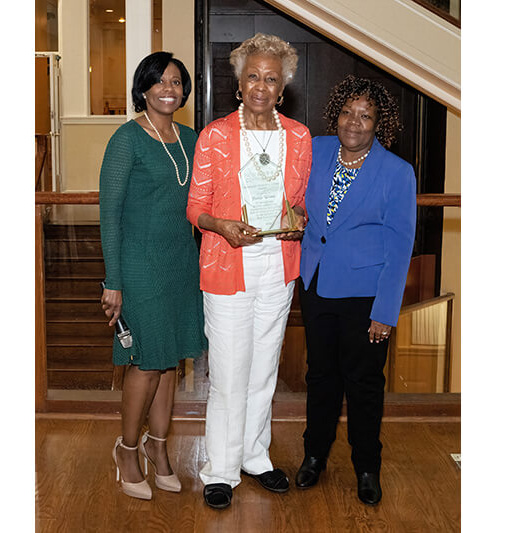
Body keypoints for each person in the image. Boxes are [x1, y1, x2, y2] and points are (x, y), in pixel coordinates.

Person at [186, 33, 312, 510]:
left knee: (264, 369)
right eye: (253, 76)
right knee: (228, 373)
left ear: (283, 89)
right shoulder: (215, 135)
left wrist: (298, 219)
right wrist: (221, 224)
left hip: (278, 268)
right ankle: (220, 468)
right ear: (238, 83)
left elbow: (297, 202)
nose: (261, 85)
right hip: (227, 266)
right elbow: (195, 207)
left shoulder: (298, 137)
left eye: (271, 78)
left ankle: (255, 455)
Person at [295, 75, 416, 505]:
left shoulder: (397, 173)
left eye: (366, 115)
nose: (354, 122)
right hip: (316, 285)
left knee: (363, 383)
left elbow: (401, 246)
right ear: (336, 115)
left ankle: (367, 466)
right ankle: (314, 455)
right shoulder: (316, 150)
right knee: (320, 377)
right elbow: (295, 199)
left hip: (365, 295)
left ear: (378, 123)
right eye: (348, 112)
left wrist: (385, 311)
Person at [99, 51, 207, 500]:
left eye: (178, 82)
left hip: (182, 262)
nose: (170, 88)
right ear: (143, 88)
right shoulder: (127, 139)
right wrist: (113, 280)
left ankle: (158, 448)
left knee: (171, 360)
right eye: (160, 81)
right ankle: (127, 450)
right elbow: (110, 215)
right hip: (139, 264)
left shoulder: (191, 137)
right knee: (145, 361)